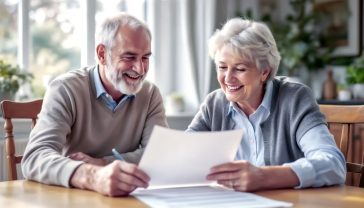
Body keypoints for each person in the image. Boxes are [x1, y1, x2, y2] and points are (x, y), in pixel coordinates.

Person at [187, 18, 346, 191]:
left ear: (264, 72)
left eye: (240, 69)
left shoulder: (295, 99)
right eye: (222, 67)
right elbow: (182, 154)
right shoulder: (214, 103)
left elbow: (333, 164)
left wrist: (263, 177)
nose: (227, 78)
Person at [21, 13, 167, 196]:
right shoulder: (65, 89)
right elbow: (34, 158)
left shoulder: (150, 94)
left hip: (129, 199)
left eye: (145, 58)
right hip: (72, 198)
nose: (140, 69)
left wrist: (102, 163)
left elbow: (159, 155)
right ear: (102, 54)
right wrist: (92, 176)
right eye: (129, 57)